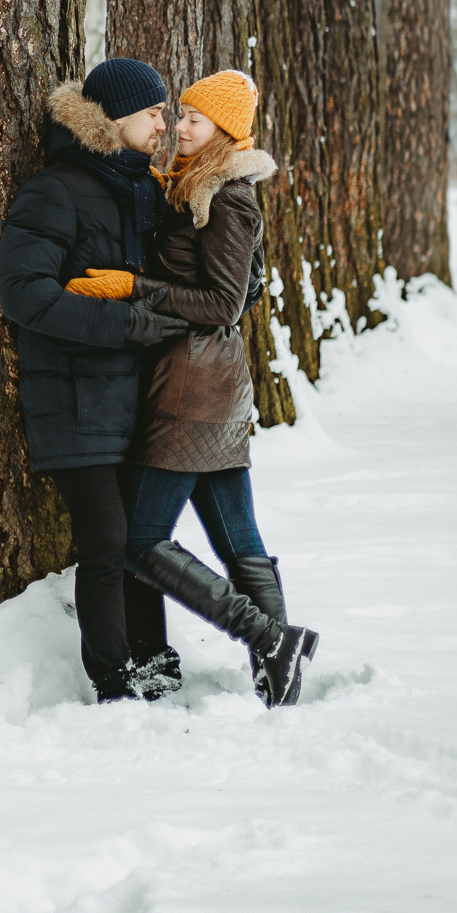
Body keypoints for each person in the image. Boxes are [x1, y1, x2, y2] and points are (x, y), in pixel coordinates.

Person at [119, 69, 319, 708]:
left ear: (223, 133)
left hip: (193, 384)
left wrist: (135, 288)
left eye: (192, 121)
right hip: (213, 383)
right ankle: (278, 673)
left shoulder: (226, 194)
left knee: (140, 541)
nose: (178, 127)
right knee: (239, 540)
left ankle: (268, 637)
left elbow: (224, 301)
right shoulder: (191, 186)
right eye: (177, 117)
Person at [0, 58, 190, 703]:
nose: (164, 122)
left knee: (143, 538)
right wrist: (125, 327)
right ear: (115, 116)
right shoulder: (56, 190)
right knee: (106, 540)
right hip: (74, 396)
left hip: (140, 396)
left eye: (166, 111)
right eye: (154, 110)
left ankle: (155, 661)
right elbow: (26, 295)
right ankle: (113, 677)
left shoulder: (146, 189)